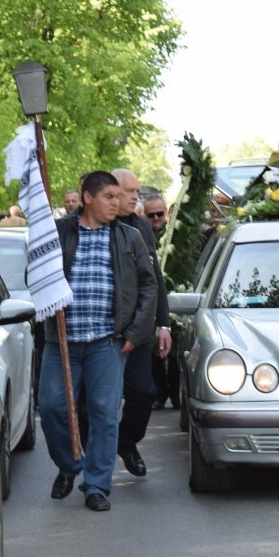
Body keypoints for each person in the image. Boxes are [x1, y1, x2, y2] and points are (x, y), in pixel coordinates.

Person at [40, 171, 158, 512]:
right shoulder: (58, 234)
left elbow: (149, 285)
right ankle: (69, 465)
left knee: (106, 413)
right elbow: (35, 273)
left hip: (107, 342)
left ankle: (96, 485)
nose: (117, 203)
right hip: (60, 341)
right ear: (87, 197)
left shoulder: (129, 237)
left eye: (118, 197)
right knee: (51, 408)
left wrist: (137, 333)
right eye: (109, 196)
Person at [109, 169, 170, 477]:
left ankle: (127, 441)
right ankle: (95, 457)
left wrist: (163, 323)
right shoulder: (99, 226)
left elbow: (155, 277)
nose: (135, 196)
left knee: (144, 392)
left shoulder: (142, 227)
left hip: (140, 327)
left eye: (137, 191)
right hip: (105, 329)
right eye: (128, 190)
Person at [142, 193, 178, 409]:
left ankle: (175, 393)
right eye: (151, 215)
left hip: (174, 298)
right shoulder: (140, 235)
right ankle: (159, 393)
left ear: (167, 213)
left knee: (174, 351)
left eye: (160, 214)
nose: (156, 218)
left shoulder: (177, 235)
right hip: (150, 300)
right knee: (153, 350)